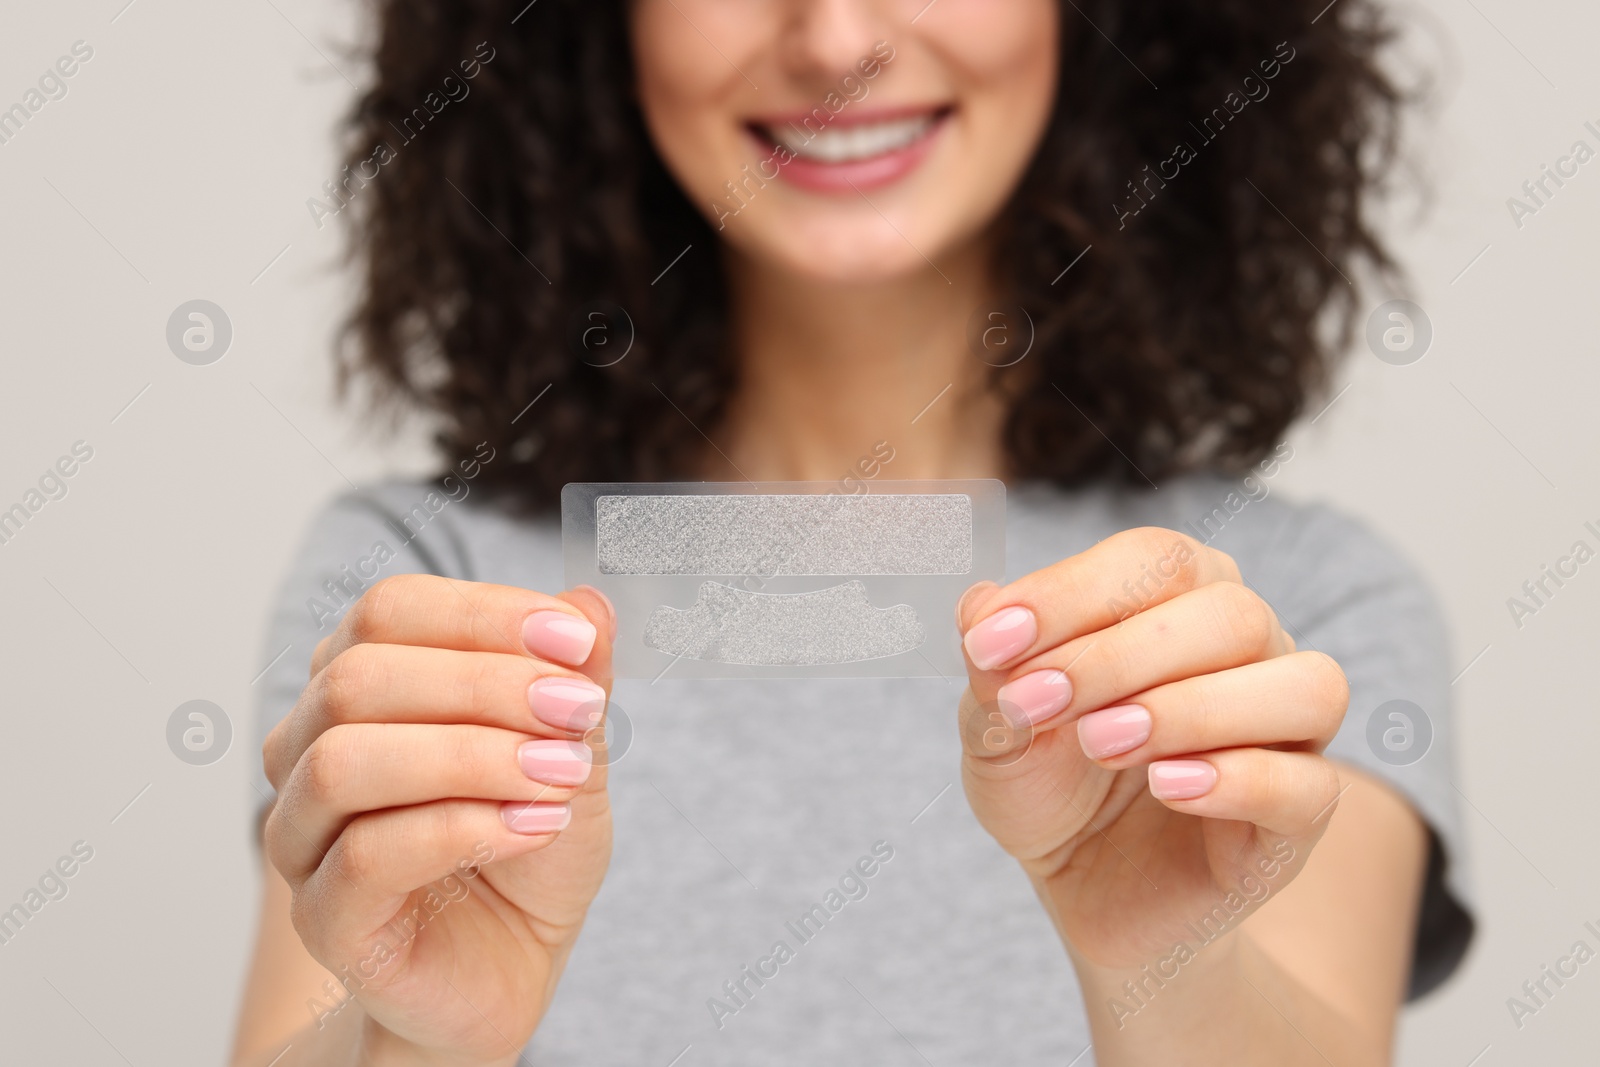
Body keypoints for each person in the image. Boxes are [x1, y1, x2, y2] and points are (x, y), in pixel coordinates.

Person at [231, 1, 1473, 1063]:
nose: (835, 43)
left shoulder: (1280, 615)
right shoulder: (425, 589)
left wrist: (1165, 962)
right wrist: (416, 1043)